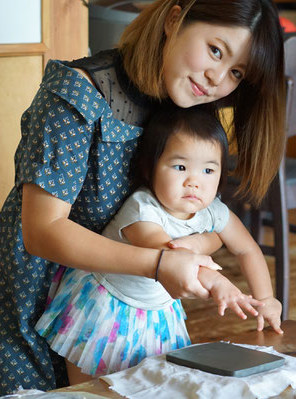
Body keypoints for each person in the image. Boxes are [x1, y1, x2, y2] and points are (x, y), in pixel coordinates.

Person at [0, 0, 285, 396]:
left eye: (237, 72)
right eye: (215, 50)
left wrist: (190, 246)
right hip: (36, 286)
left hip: (122, 301)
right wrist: (161, 261)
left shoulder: (184, 101)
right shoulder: (77, 93)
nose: (216, 77)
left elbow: (207, 219)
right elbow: (42, 230)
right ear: (174, 18)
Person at [34, 106, 283, 383]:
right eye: (180, 167)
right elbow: (169, 254)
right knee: (89, 388)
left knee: (147, 382)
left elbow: (247, 248)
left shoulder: (214, 211)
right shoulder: (142, 209)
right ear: (150, 168)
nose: (194, 181)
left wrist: (266, 298)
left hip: (156, 312)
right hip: (105, 305)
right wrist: (218, 283)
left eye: (208, 170)